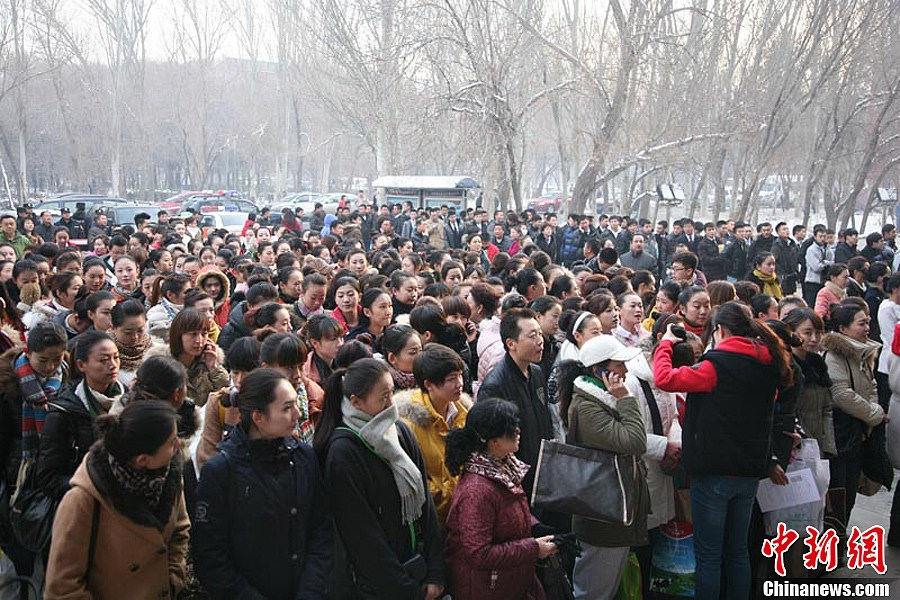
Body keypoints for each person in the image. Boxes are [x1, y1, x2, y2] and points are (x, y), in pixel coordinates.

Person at [653, 301, 792, 600]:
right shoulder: (768, 364)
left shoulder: (715, 365)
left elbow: (664, 378)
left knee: (709, 554)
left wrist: (665, 344)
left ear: (720, 330)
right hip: (749, 472)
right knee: (738, 551)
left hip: (714, 472)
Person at [193, 368, 333, 599]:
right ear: (258, 417)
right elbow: (211, 557)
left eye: (295, 404)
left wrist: (311, 591)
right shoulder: (221, 471)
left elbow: (321, 529)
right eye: (287, 408)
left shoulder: (303, 456)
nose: (297, 414)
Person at [313, 358, 445, 599]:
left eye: (392, 393)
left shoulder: (399, 430)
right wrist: (406, 590)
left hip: (418, 566)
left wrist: (436, 572)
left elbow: (424, 501)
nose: (391, 403)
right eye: (383, 397)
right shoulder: (343, 452)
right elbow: (363, 536)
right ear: (356, 402)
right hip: (382, 585)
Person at [44, 401, 189, 600]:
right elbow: (63, 588)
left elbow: (180, 531)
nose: (178, 446)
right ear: (142, 460)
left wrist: (173, 578)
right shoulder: (83, 501)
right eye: (171, 442)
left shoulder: (168, 477)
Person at [556, 335, 648, 599]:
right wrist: (627, 399)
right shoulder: (586, 407)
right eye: (620, 365)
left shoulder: (600, 399)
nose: (626, 371)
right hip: (602, 519)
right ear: (600, 371)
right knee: (593, 592)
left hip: (614, 515)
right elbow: (635, 441)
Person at [443, 398, 557, 599]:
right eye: (512, 429)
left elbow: (508, 515)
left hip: (510, 581)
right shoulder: (477, 491)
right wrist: (533, 548)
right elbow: (479, 553)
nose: (518, 431)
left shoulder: (504, 466)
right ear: (494, 442)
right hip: (486, 588)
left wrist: (535, 526)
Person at [0, 322, 68, 584]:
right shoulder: (8, 385)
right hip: (16, 479)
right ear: (28, 352)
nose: (50, 366)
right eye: (43, 360)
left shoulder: (67, 379)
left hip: (52, 477)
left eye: (57, 359)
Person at [821, 303, 885, 540]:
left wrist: (873, 407)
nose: (867, 327)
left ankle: (838, 540)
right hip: (840, 436)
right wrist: (875, 414)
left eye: (868, 322)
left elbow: (872, 386)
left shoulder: (862, 352)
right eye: (861, 323)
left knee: (849, 491)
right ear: (843, 328)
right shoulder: (834, 355)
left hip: (856, 433)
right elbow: (841, 395)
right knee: (839, 493)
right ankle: (831, 545)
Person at [38, 331, 126, 502]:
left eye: (116, 357)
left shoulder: (129, 401)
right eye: (103, 360)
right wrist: (91, 487)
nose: (113, 365)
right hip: (83, 503)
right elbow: (48, 477)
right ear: (81, 365)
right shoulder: (63, 411)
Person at [477, 307, 552, 494]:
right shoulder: (495, 385)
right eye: (532, 336)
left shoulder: (536, 371)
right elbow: (493, 444)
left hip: (543, 470)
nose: (540, 341)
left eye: (540, 334)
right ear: (511, 343)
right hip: (518, 478)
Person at [396, 344, 470, 522]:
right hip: (436, 518)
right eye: (452, 378)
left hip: (468, 511)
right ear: (429, 384)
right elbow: (414, 482)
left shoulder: (465, 413)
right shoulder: (410, 425)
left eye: (460, 375)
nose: (459, 383)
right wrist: (454, 495)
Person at [782, 308, 836, 457]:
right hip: (797, 448)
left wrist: (828, 446)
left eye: (818, 333)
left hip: (819, 445)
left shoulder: (818, 365)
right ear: (791, 332)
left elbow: (827, 409)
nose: (814, 338)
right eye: (807, 332)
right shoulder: (786, 368)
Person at [150, 307, 229, 407]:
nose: (199, 340)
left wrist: (213, 368)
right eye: (193, 334)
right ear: (179, 335)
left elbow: (224, 394)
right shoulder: (162, 364)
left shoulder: (209, 360)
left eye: (204, 334)